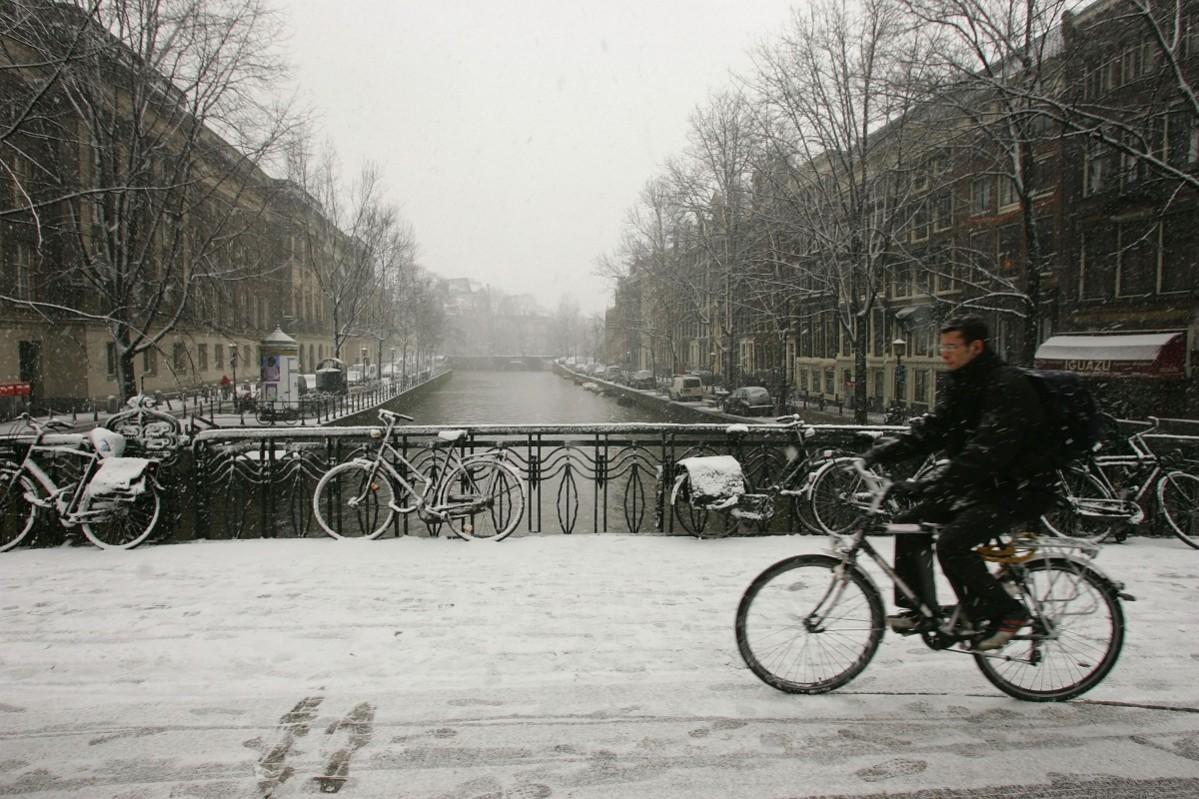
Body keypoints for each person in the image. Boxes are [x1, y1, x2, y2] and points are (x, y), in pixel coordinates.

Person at [861, 315, 1055, 651]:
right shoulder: (964, 383)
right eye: (943, 346)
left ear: (975, 347)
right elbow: (936, 428)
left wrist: (927, 486)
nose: (945, 354)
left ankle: (1008, 612)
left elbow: (986, 453)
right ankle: (922, 610)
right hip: (985, 485)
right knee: (909, 524)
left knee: (952, 543)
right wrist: (885, 451)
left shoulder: (1006, 386)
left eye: (952, 347)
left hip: (1020, 489)